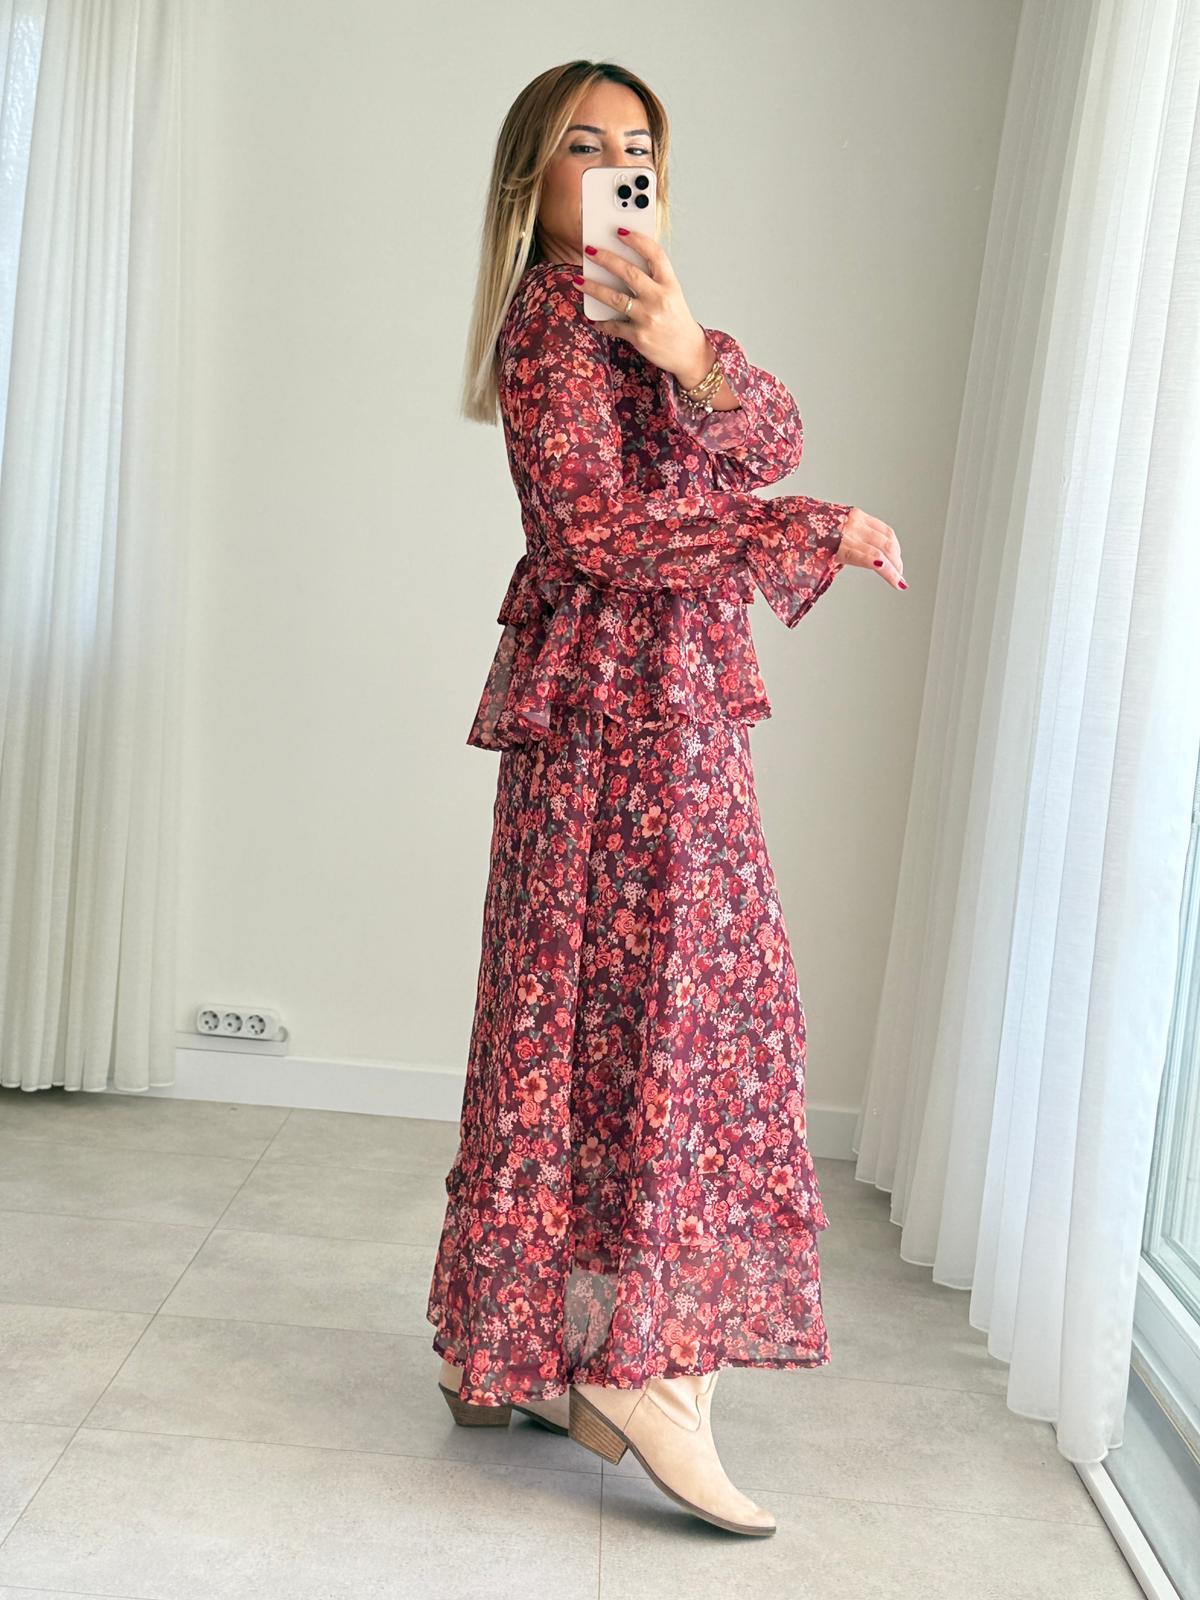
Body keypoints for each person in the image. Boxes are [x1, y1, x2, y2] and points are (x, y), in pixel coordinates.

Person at [425, 59, 904, 1539]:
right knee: (632, 1018)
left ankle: (527, 1353)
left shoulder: (644, 317)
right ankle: (642, 1372)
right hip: (609, 723)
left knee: (631, 1015)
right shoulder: (545, 326)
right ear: (532, 180)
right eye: (583, 145)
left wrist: (689, 344)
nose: (614, 167)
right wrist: (809, 529)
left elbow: (768, 431)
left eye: (637, 147)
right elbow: (601, 531)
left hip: (671, 710)